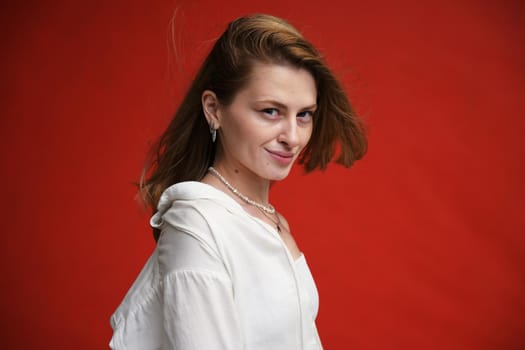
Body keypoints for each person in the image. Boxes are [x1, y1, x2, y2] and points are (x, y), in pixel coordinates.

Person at [109, 13, 367, 350]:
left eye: (304, 114)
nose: (293, 136)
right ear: (214, 109)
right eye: (270, 111)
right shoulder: (196, 227)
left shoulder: (267, 219)